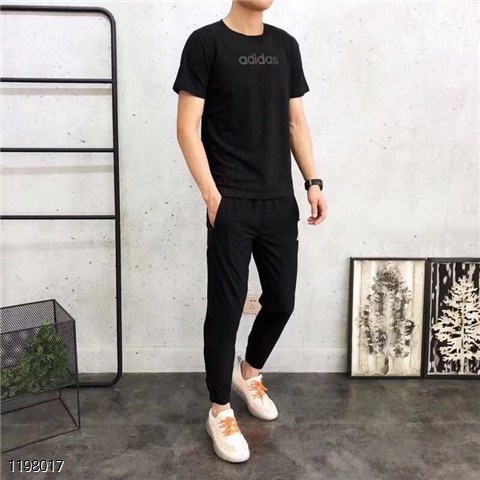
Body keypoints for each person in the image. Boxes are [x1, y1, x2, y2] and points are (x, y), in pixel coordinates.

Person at [173, 0, 327, 463]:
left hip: (279, 200)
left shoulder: (285, 46)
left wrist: (313, 181)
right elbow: (187, 127)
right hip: (231, 202)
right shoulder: (206, 43)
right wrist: (212, 195)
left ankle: (249, 372)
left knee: (282, 299)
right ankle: (219, 409)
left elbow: (295, 121)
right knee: (225, 308)